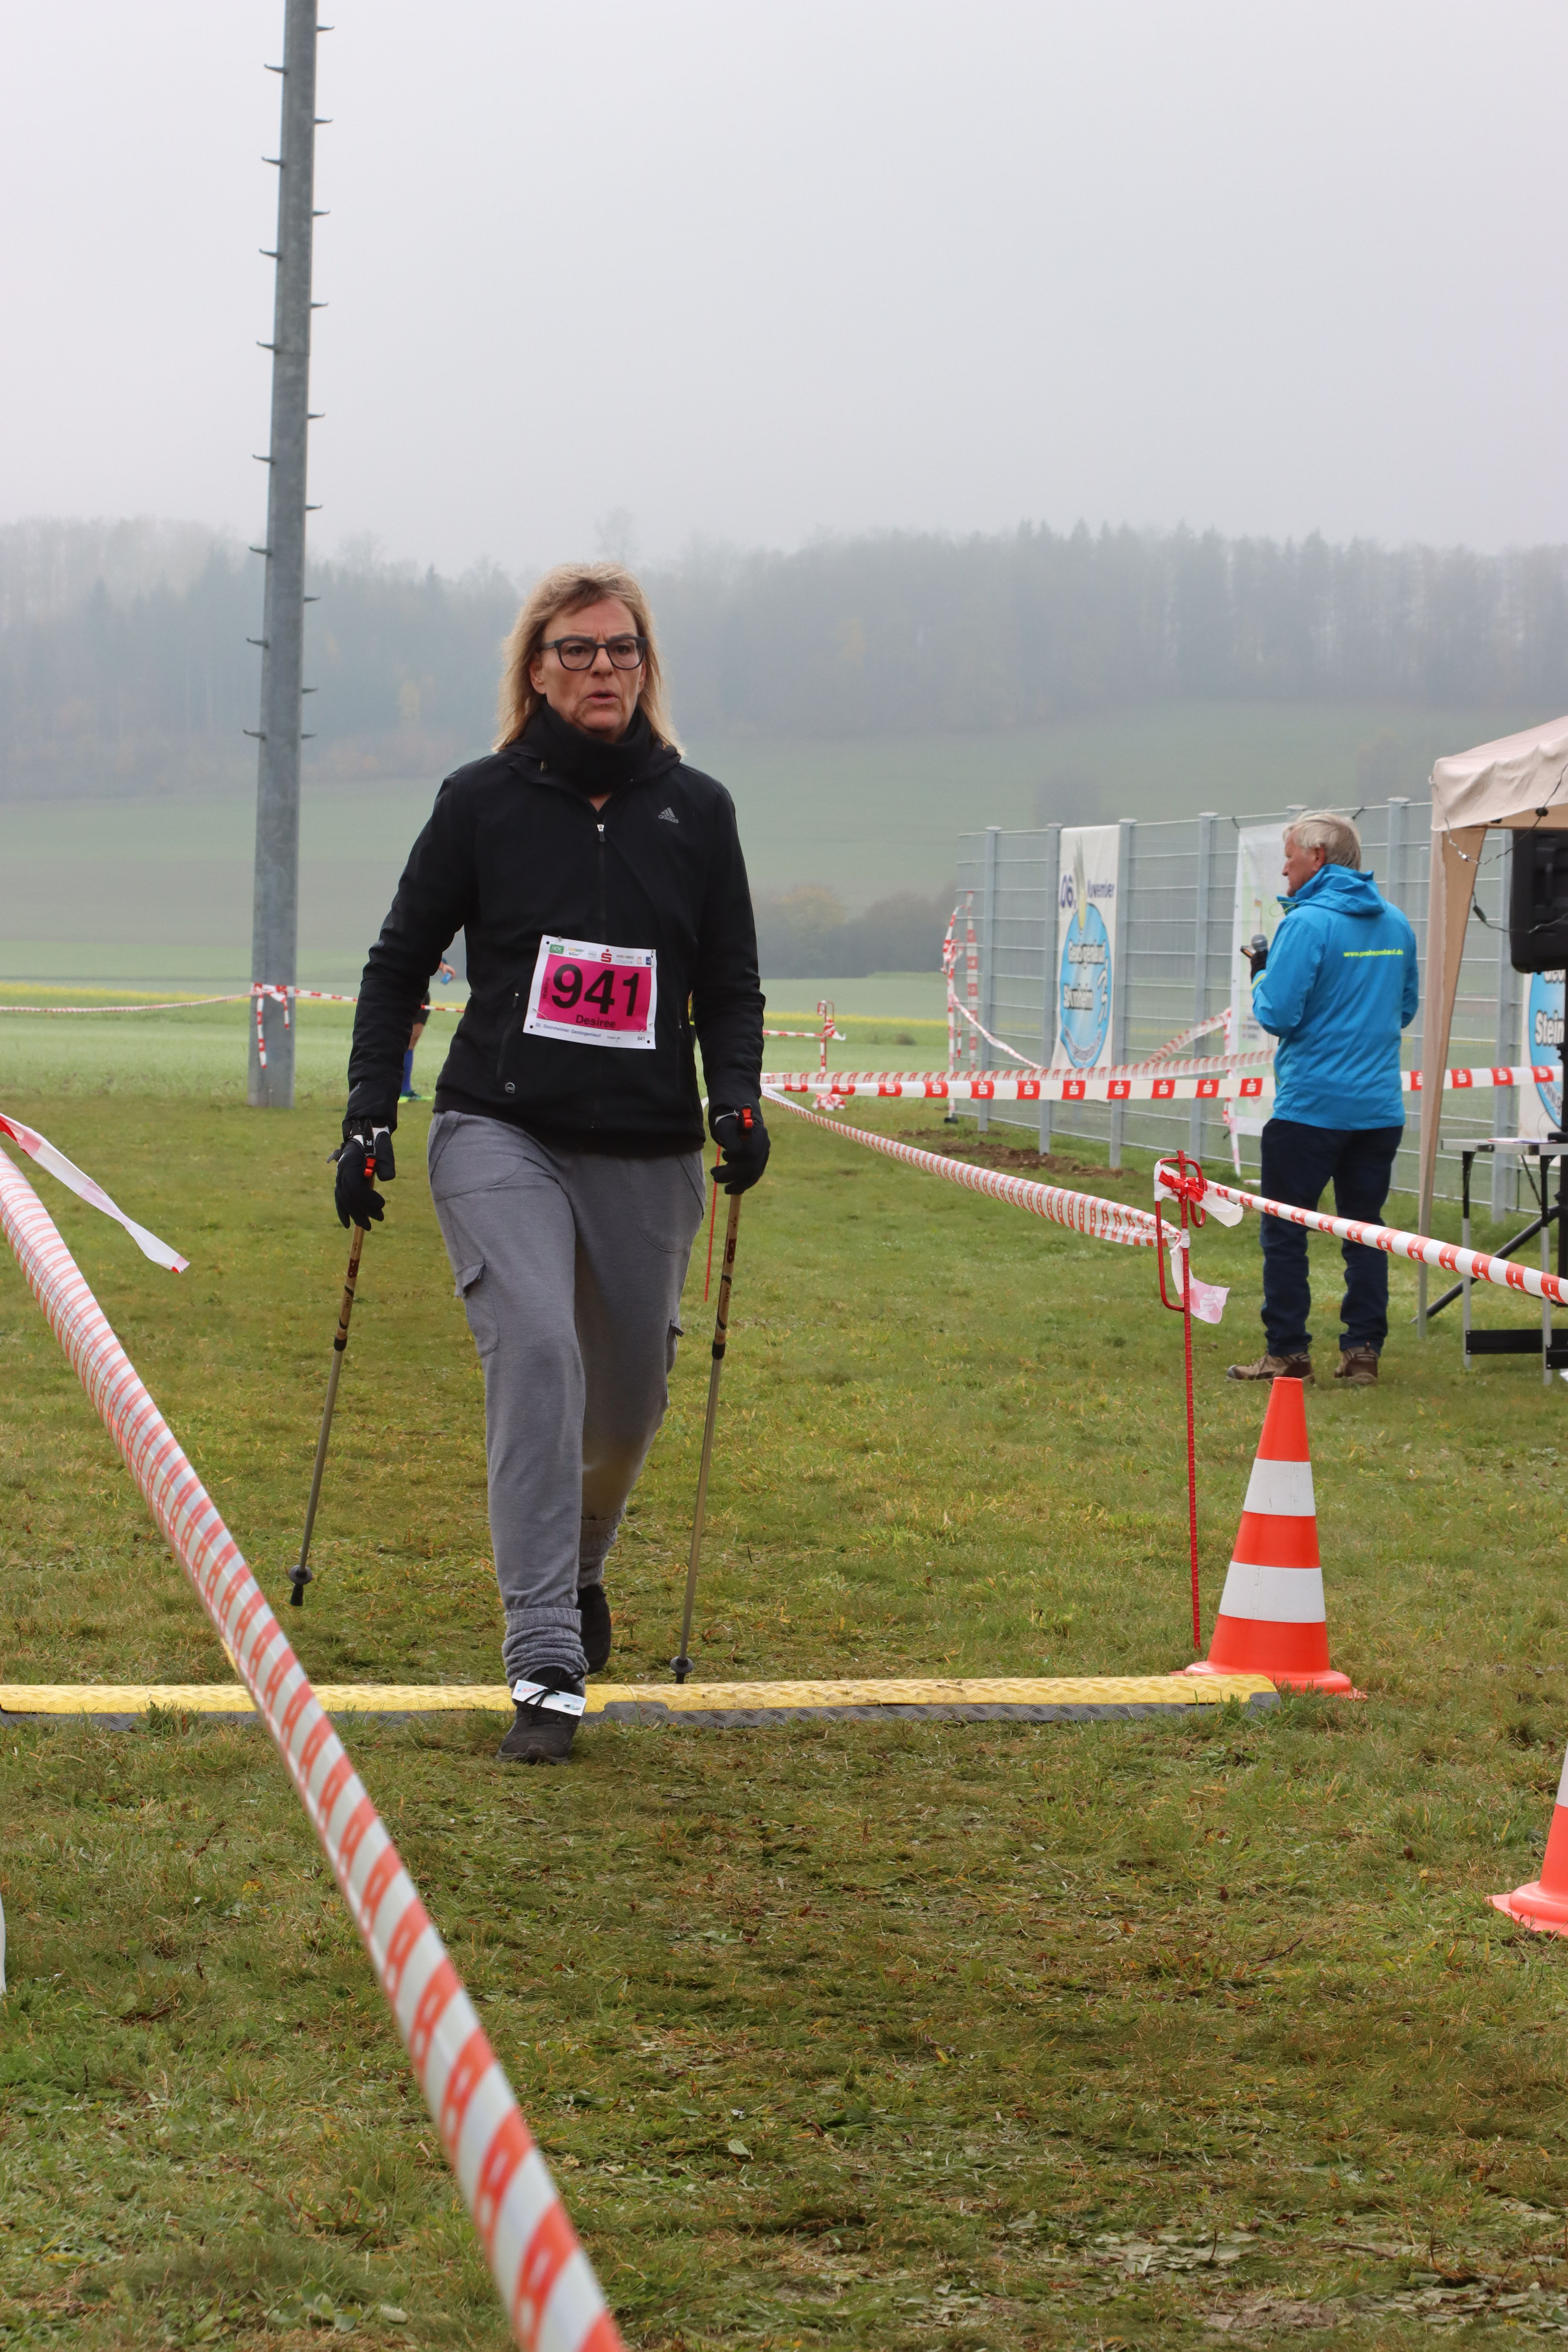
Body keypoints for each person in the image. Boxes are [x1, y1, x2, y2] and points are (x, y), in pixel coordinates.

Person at [335, 561, 768, 1762]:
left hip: (646, 1146)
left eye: (621, 648)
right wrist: (368, 1114)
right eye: (576, 649)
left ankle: (577, 1569)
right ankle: (543, 1653)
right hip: (498, 1128)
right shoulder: (480, 801)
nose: (601, 668)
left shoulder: (697, 811)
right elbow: (398, 964)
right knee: (535, 1348)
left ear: (644, 666)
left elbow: (729, 983)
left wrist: (734, 1095)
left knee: (627, 1404)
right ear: (535, 669)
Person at [1227, 810, 1418, 1389]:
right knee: (1366, 1231)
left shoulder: (1306, 923)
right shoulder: (1396, 923)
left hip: (1310, 1109)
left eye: (1289, 857)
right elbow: (1404, 1010)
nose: (1283, 869)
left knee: (1286, 1231)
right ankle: (1363, 1352)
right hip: (1378, 1110)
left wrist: (1261, 974)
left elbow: (1278, 1014)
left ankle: (1288, 1353)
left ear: (1318, 858)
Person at [400, 958, 456, 1100]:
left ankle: (406, 1090)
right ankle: (394, 1090)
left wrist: (443, 965)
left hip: (422, 991)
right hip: (403, 989)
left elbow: (431, 951)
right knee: (400, 1040)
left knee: (412, 1041)